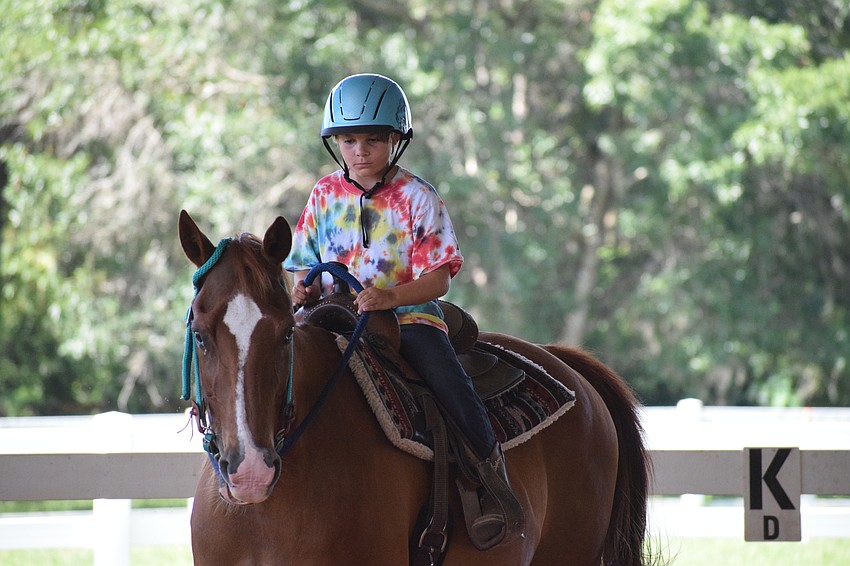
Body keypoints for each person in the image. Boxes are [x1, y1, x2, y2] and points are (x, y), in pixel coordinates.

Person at [284, 73, 522, 550]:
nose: (360, 150)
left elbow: (440, 277)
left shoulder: (419, 197)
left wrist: (390, 297)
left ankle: (490, 475)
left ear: (396, 140)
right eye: (349, 140)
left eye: (374, 139)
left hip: (407, 318)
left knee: (448, 381)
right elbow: (303, 261)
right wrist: (301, 289)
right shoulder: (324, 194)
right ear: (336, 143)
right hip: (332, 314)